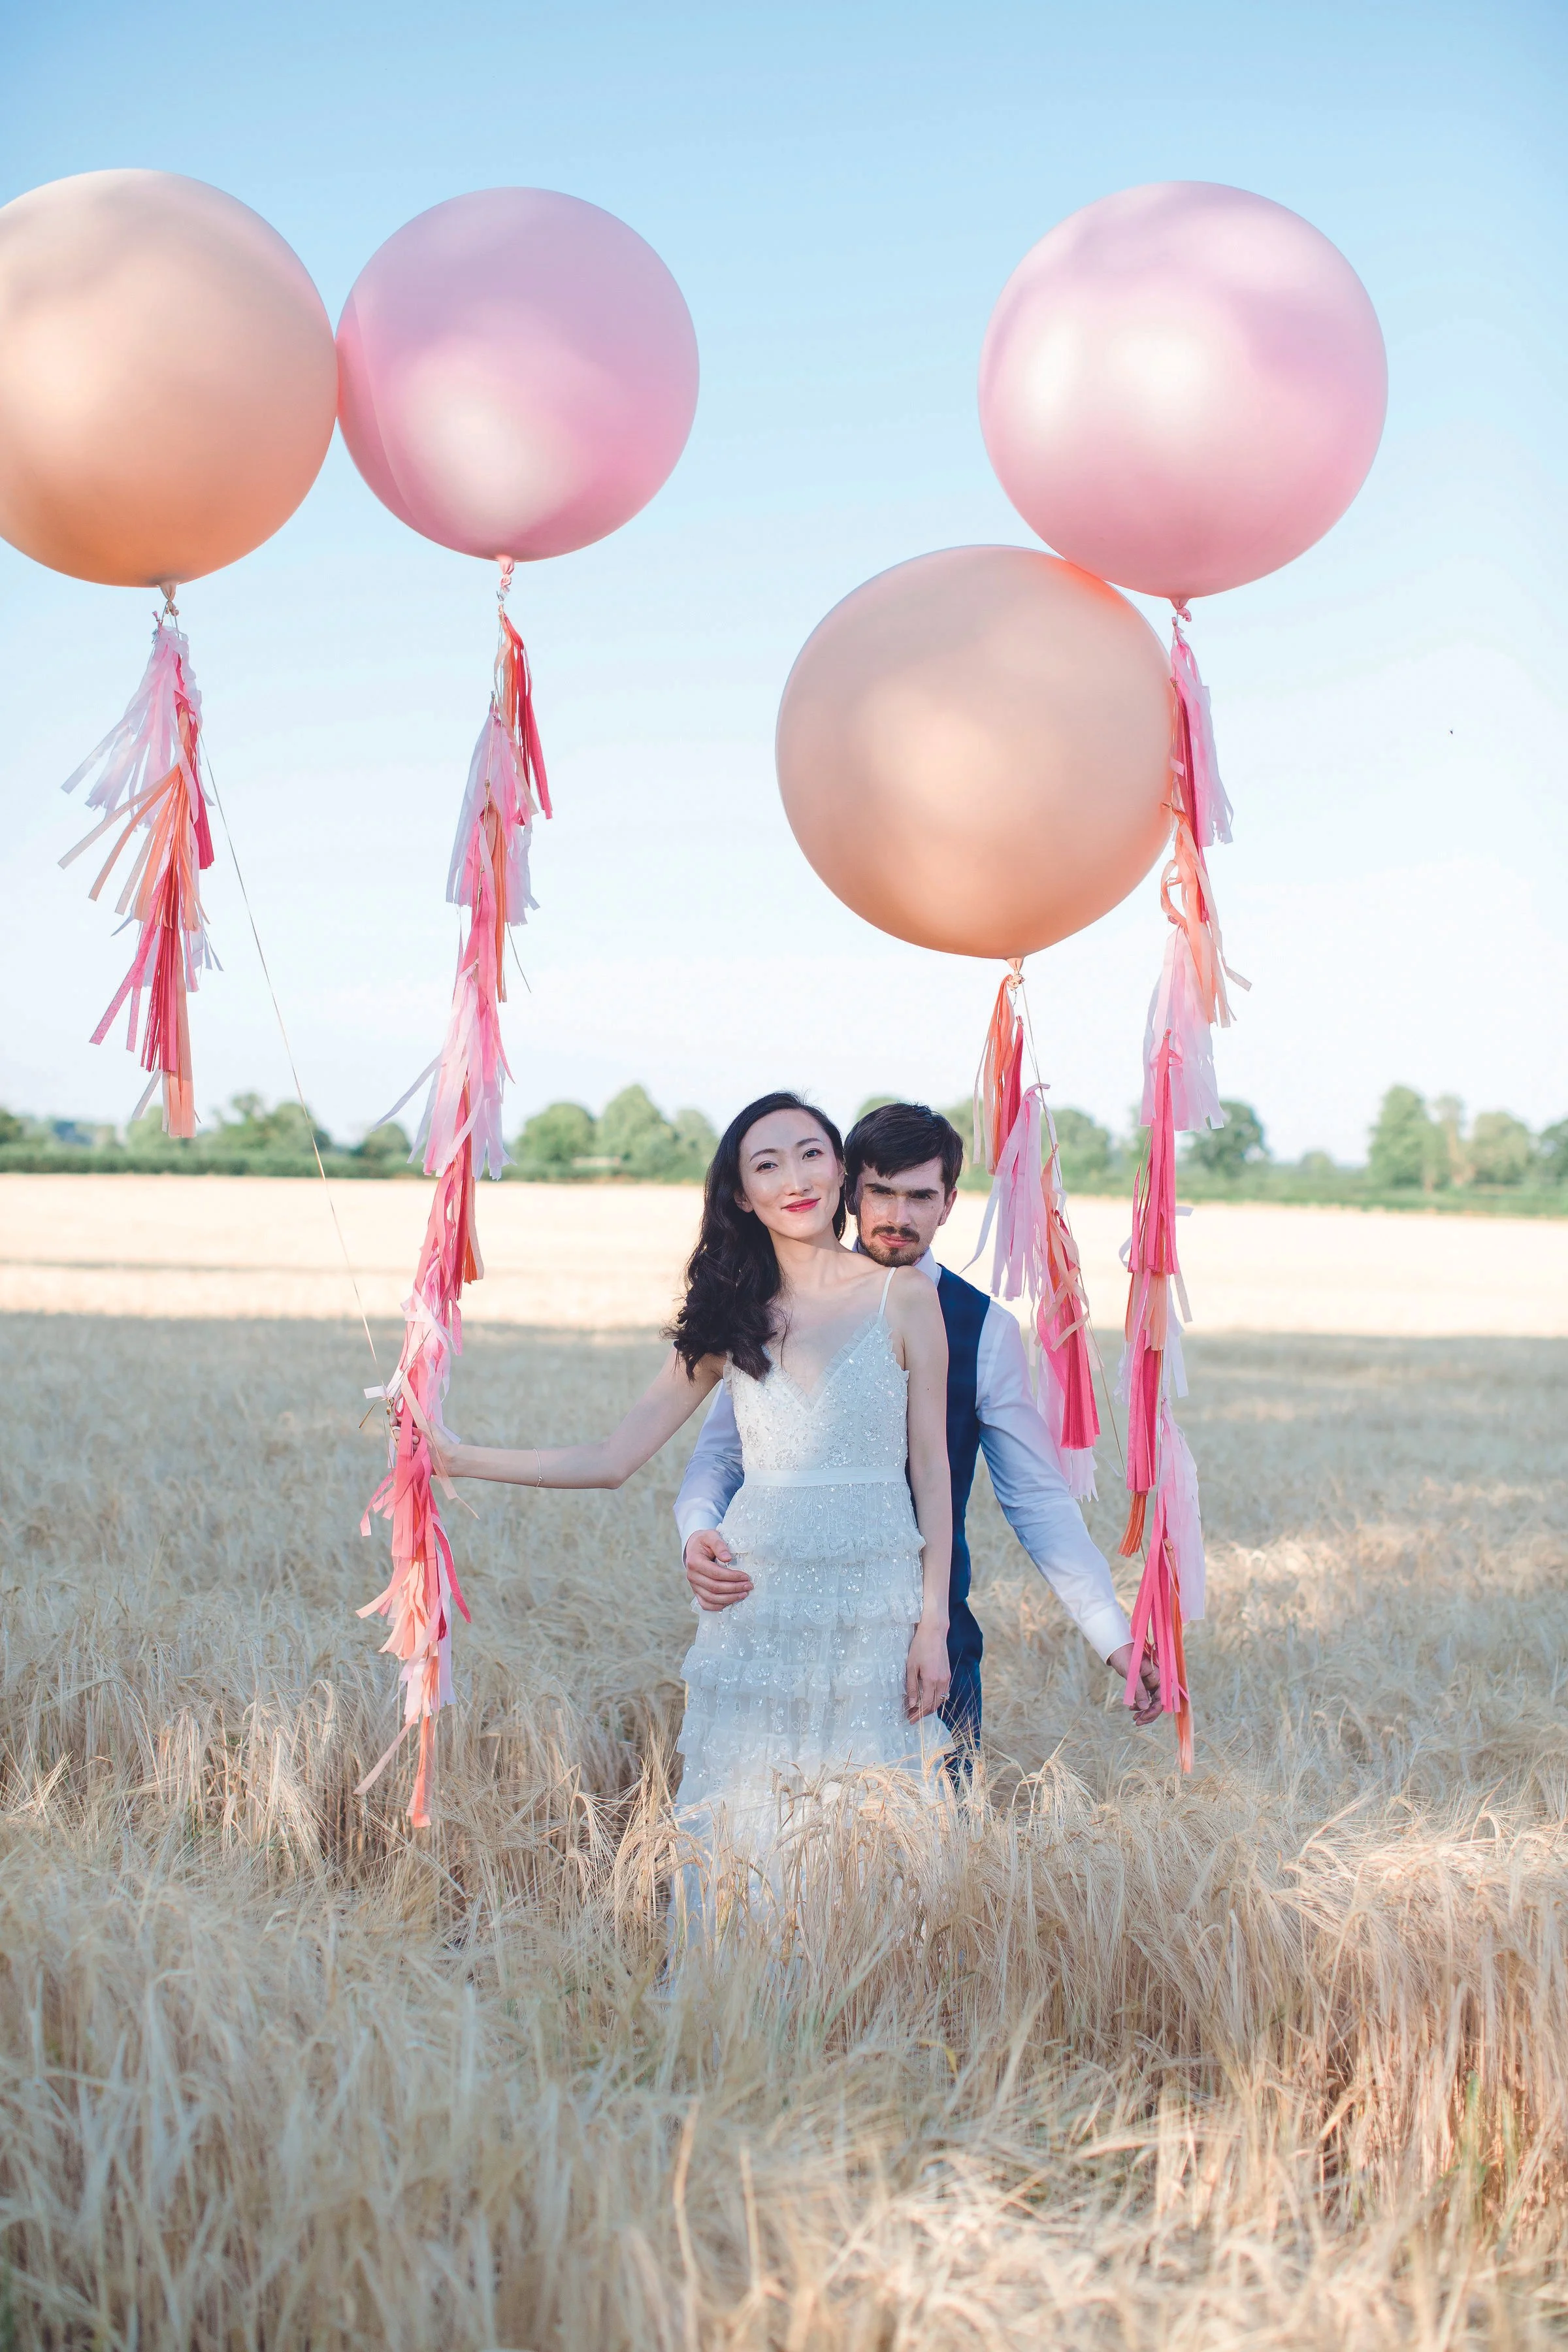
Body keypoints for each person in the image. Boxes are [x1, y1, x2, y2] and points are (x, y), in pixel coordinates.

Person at [427, 1090, 956, 1920]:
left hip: (876, 1608)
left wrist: (932, 1626)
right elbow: (611, 1460)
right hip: (758, 1602)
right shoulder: (730, 1320)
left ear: (842, 1172)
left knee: (872, 1819)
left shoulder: (906, 1298)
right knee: (752, 1819)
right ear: (742, 1195)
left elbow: (932, 1471)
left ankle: (861, 1993)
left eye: (810, 1154)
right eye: (767, 1165)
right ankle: (734, 1990)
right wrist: (454, 1457)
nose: (795, 1179)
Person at [678, 1100, 1161, 1752]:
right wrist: (697, 1528)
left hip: (929, 1647)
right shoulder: (773, 1304)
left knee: (937, 1817)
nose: (898, 1218)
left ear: (949, 1203)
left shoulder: (984, 1330)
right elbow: (721, 1454)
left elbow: (1036, 1498)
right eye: (880, 1191)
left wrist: (1113, 1636)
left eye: (920, 1197)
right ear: (848, 1188)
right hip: (785, 1625)